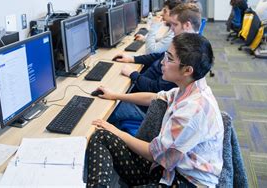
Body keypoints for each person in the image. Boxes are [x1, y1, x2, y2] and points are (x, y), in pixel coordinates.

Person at [86, 33, 224, 187]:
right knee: (101, 136)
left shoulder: (193, 110)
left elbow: (155, 154)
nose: (162, 63)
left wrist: (116, 131)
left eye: (169, 58)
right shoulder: (190, 87)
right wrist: (115, 95)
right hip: (165, 169)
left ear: (187, 70)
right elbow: (155, 98)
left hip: (185, 181)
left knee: (109, 132)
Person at [108, 4, 201, 127]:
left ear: (187, 25)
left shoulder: (187, 54)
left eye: (175, 25)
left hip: (145, 107)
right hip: (144, 94)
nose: (171, 29)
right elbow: (158, 55)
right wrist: (132, 58)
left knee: (105, 110)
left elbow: (154, 89)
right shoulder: (184, 44)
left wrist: (133, 74)